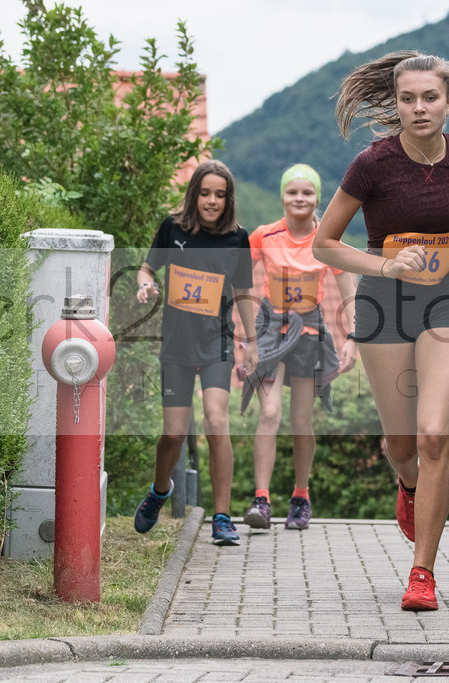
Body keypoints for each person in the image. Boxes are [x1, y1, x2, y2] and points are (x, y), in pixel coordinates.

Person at [312, 51, 449, 611]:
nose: (419, 108)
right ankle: (410, 487)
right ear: (395, 103)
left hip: (446, 300)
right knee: (402, 448)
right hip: (383, 303)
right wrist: (384, 266)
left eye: (430, 97)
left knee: (434, 436)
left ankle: (423, 573)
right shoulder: (373, 164)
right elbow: (324, 243)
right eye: (407, 98)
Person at [133, 159, 258, 546]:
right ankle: (159, 490)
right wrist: (144, 286)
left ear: (228, 199)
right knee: (172, 434)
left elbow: (243, 293)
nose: (212, 201)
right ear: (194, 194)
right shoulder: (174, 228)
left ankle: (222, 517)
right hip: (176, 345)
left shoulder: (238, 238)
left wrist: (251, 342)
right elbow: (146, 269)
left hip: (218, 343)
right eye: (205, 193)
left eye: (220, 195)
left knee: (216, 421)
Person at [240, 164, 359, 531]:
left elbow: (349, 292)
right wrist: (247, 339)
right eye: (293, 192)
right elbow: (241, 282)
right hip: (269, 332)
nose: (299, 199)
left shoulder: (327, 239)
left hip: (309, 334)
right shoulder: (264, 235)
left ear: (318, 197)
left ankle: (301, 496)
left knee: (301, 422)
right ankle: (261, 500)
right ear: (282, 196)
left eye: (307, 193)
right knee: (270, 412)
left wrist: (352, 338)